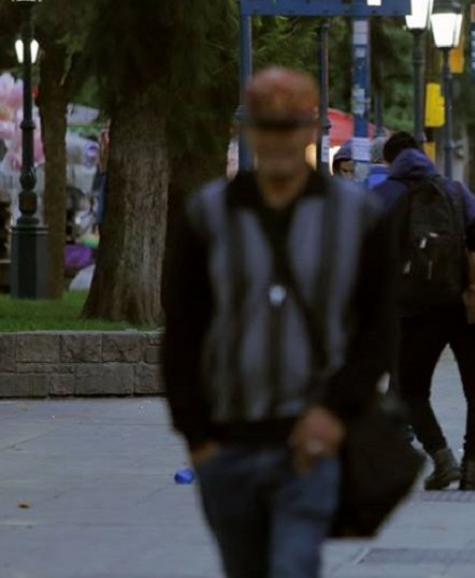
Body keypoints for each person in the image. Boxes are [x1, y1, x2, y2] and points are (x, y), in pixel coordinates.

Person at [162, 67, 398, 578]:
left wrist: (336, 412)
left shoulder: (356, 217)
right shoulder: (208, 214)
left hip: (309, 441)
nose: (278, 140)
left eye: (289, 126)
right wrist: (197, 436)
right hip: (227, 442)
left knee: (294, 566)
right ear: (248, 132)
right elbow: (182, 329)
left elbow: (378, 327)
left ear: (311, 130)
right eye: (266, 126)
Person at [372, 131, 475, 491]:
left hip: (412, 310)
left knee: (410, 388)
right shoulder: (457, 191)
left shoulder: (383, 196)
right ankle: (473, 466)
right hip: (464, 305)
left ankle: (442, 458)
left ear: (389, 161)